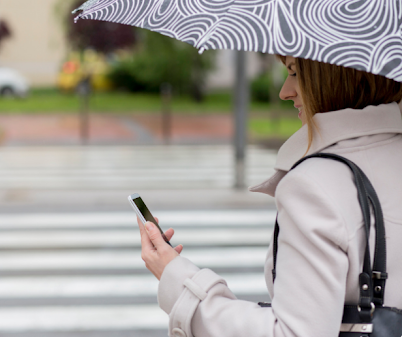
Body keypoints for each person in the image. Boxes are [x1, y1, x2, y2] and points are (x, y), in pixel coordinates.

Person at [137, 55, 402, 337]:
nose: (284, 91)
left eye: (296, 73)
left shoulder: (315, 184)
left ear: (335, 77)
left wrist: (179, 281)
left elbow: (294, 333)